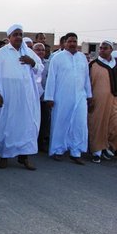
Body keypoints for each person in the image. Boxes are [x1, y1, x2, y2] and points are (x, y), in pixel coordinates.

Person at [0, 24, 41, 170]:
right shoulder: (1, 53)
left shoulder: (28, 52)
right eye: (15, 34)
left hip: (25, 99)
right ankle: (4, 156)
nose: (18, 37)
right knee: (7, 126)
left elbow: (40, 69)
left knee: (26, 126)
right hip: (8, 97)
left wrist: (33, 62)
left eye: (20, 34)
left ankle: (24, 157)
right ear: (9, 37)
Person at [44, 32, 92, 164]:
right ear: (65, 43)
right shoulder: (57, 58)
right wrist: (49, 97)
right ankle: (57, 150)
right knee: (61, 122)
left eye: (74, 41)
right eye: (69, 41)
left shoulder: (82, 57)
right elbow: (51, 79)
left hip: (80, 97)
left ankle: (76, 152)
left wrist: (89, 95)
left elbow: (86, 78)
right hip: (61, 96)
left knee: (79, 124)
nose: (72, 44)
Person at [88, 41, 117, 163]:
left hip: (114, 99)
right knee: (98, 123)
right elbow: (87, 83)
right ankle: (97, 151)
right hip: (98, 99)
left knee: (113, 123)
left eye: (105, 48)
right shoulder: (93, 64)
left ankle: (108, 147)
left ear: (111, 49)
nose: (102, 50)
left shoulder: (115, 63)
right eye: (101, 48)